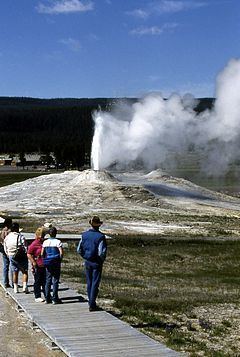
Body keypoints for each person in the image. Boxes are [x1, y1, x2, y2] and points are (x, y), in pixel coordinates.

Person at [77, 216, 107, 312]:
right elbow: (101, 252)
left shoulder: (84, 235)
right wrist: (101, 260)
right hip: (96, 262)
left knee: (89, 282)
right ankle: (92, 303)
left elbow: (79, 249)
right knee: (95, 282)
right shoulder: (101, 236)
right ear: (98, 225)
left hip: (87, 260)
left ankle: (91, 301)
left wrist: (84, 256)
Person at [4, 222, 28, 293]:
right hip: (21, 255)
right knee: (24, 271)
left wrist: (8, 254)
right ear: (17, 229)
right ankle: (25, 286)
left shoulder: (7, 237)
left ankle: (15, 288)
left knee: (15, 272)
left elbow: (5, 247)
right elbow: (25, 246)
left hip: (11, 255)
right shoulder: (21, 236)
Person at [41, 227, 63, 304]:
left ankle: (47, 298)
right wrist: (60, 260)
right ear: (55, 233)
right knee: (55, 279)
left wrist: (43, 259)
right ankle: (55, 298)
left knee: (48, 279)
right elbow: (61, 252)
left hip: (47, 262)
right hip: (56, 261)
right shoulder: (58, 242)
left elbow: (42, 253)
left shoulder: (45, 242)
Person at [27, 227, 46, 302]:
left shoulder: (43, 242)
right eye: (41, 235)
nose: (42, 237)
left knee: (45, 281)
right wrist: (33, 262)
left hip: (44, 264)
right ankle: (37, 296)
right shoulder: (34, 244)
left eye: (43, 235)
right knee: (37, 281)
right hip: (37, 265)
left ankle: (46, 295)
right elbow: (29, 254)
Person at [0, 217, 12, 288]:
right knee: (13, 266)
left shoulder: (2, 230)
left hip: (3, 249)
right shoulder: (10, 231)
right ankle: (14, 283)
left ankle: (5, 282)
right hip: (9, 249)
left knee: (5, 266)